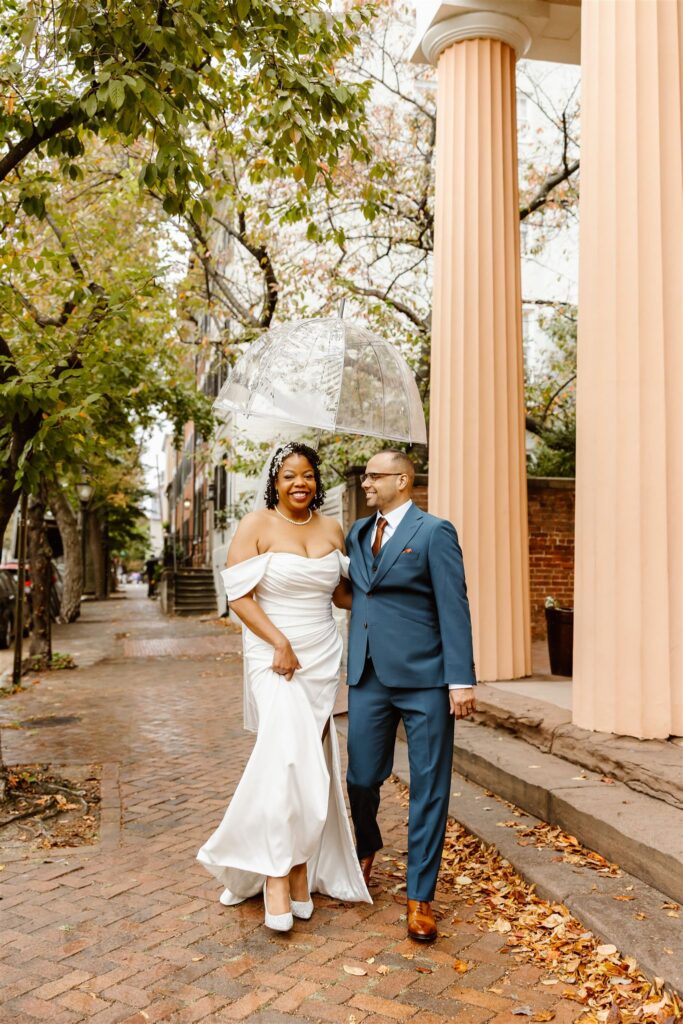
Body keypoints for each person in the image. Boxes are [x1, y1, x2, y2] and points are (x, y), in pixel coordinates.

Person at [197, 442, 370, 932]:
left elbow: (339, 593)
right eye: (291, 474)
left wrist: (384, 583)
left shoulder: (332, 528)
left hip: (320, 656)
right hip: (273, 655)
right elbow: (239, 596)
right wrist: (278, 642)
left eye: (309, 475)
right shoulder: (256, 525)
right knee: (286, 758)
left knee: (305, 763)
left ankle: (299, 867)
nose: (301, 483)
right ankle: (277, 872)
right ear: (275, 480)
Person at [342, 449, 476, 943]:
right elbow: (354, 590)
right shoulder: (357, 533)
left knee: (429, 786)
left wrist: (460, 679)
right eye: (364, 476)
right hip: (369, 675)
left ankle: (420, 895)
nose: (365, 483)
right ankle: (367, 844)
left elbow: (453, 605)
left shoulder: (434, 531)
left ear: (402, 479)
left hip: (426, 679)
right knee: (360, 776)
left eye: (374, 476)